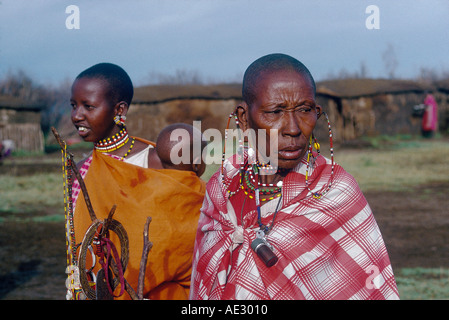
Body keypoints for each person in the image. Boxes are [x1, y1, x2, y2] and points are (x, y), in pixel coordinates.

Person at [189, 53, 399, 300]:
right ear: (244, 119)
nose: (293, 128)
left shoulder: (336, 190)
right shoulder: (223, 185)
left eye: (305, 110)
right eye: (275, 112)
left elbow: (364, 289)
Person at [68, 63, 206, 300]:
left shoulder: (154, 161)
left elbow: (184, 232)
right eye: (73, 105)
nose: (77, 115)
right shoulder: (79, 170)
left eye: (88, 106)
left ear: (119, 109)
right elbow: (77, 240)